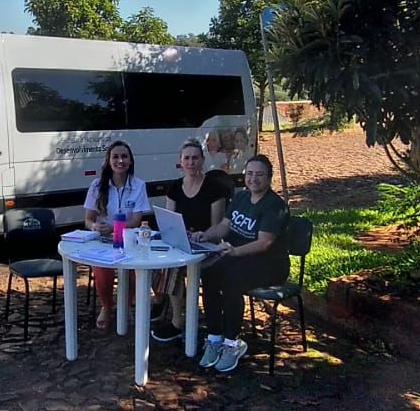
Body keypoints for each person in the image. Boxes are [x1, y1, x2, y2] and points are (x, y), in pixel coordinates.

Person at [190, 154, 289, 373]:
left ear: (269, 177)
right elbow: (224, 226)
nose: (254, 179)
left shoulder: (274, 206)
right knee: (208, 274)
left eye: (259, 174)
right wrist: (205, 236)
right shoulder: (241, 197)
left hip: (269, 265)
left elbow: (264, 243)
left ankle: (232, 342)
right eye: (250, 173)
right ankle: (215, 337)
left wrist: (234, 252)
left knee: (232, 281)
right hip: (238, 257)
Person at [152, 138, 228, 343]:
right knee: (158, 263)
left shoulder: (215, 187)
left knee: (174, 268)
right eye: (187, 158)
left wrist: (202, 235)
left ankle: (178, 322)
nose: (191, 162)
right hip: (182, 242)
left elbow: (217, 229)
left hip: (207, 245)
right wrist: (179, 233)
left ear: (203, 160)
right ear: (181, 162)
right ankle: (165, 308)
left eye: (195, 158)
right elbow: (169, 220)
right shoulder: (175, 187)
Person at [83, 140, 151, 331]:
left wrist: (114, 228)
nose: (120, 160)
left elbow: (136, 220)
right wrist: (95, 226)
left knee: (131, 269)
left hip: (128, 239)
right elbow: (88, 219)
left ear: (130, 161)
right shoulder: (97, 186)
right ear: (108, 161)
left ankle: (127, 307)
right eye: (115, 156)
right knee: (102, 269)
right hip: (103, 240)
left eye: (124, 156)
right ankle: (106, 306)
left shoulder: (139, 185)